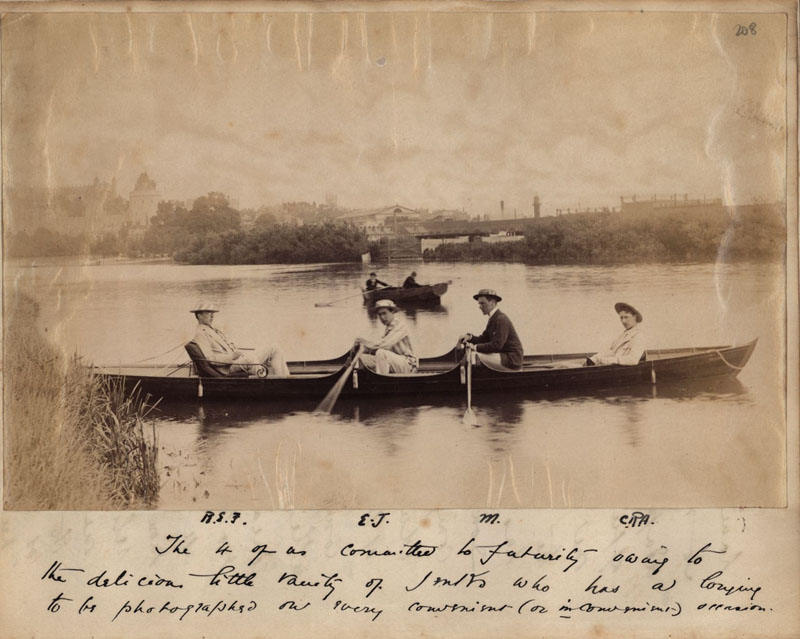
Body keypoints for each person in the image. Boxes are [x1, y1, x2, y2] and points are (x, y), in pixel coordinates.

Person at [190, 302, 290, 377]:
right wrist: (232, 356)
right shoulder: (200, 334)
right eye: (208, 313)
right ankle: (269, 381)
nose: (212, 316)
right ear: (199, 315)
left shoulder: (211, 329)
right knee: (250, 359)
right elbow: (210, 359)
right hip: (226, 367)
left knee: (273, 349)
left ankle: (284, 378)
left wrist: (234, 350)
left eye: (212, 313)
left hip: (236, 361)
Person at [458, 289, 524, 371]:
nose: (480, 307)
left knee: (473, 356)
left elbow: (496, 345)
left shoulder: (501, 319)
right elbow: (484, 339)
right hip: (504, 356)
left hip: (512, 360)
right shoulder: (494, 317)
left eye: (482, 303)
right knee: (473, 355)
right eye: (479, 304)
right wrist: (470, 337)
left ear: (492, 303)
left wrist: (474, 347)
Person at [354, 299, 418, 374]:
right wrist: (362, 347)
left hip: (408, 365)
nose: (382, 317)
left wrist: (365, 342)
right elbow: (379, 346)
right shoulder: (388, 328)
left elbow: (385, 345)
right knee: (361, 358)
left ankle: (380, 380)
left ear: (392, 312)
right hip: (396, 362)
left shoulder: (401, 326)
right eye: (380, 315)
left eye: (384, 313)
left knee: (381, 353)